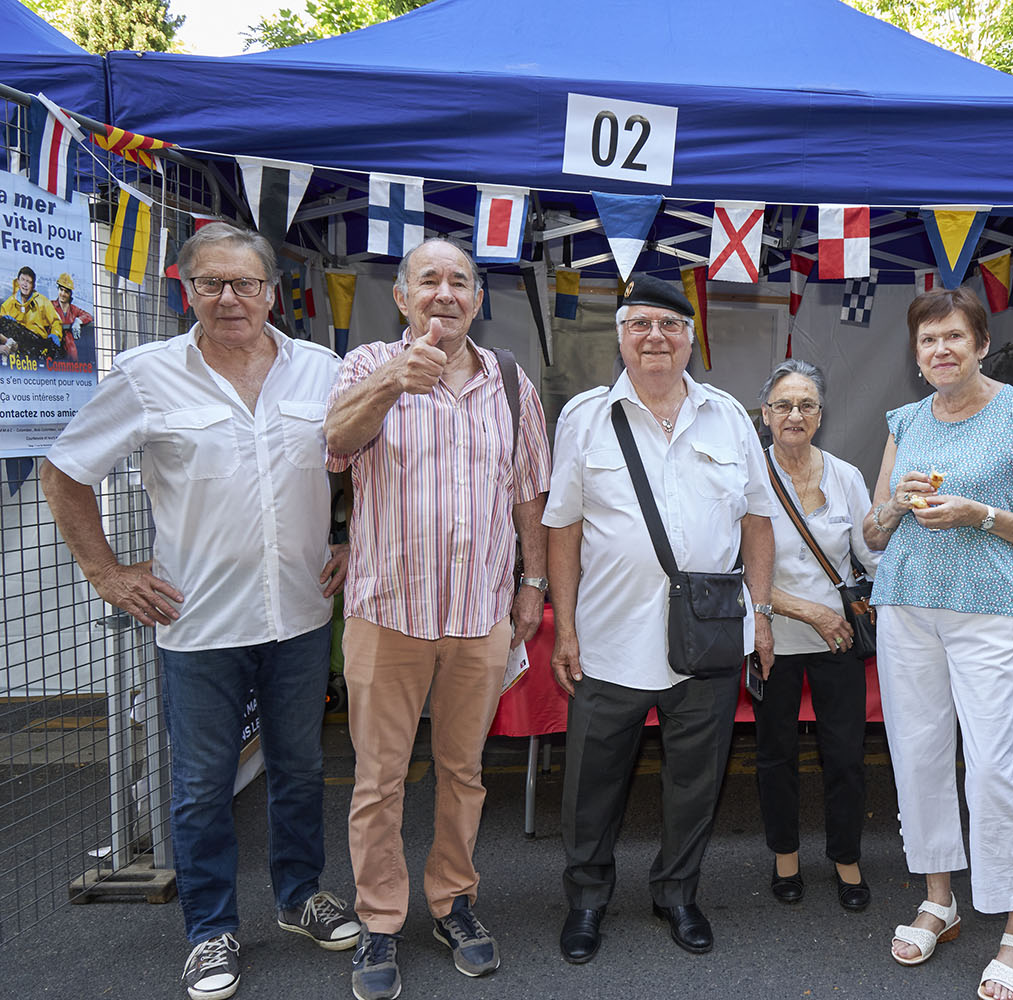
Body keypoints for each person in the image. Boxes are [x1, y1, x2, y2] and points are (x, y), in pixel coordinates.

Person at [39, 222, 358, 1000]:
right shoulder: (148, 376)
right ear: (187, 289)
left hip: (301, 614)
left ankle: (297, 897)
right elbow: (63, 471)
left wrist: (350, 535)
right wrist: (105, 572)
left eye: (245, 283)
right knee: (201, 783)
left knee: (301, 768)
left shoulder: (322, 370)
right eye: (211, 283)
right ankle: (211, 929)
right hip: (199, 622)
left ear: (272, 293)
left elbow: (359, 461)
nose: (229, 298)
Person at [324, 238, 551, 1000]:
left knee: (463, 771)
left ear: (478, 300)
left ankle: (453, 902)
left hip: (480, 613)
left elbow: (529, 495)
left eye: (460, 281)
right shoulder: (364, 367)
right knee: (379, 780)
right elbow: (335, 443)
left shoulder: (512, 382)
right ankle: (380, 920)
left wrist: (534, 581)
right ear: (402, 296)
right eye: (430, 280)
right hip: (388, 611)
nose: (445, 293)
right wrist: (394, 378)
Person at [545, 273, 775, 964]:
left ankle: (677, 892)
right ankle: (586, 901)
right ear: (620, 337)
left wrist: (759, 616)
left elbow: (759, 523)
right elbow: (563, 527)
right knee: (592, 784)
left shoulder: (729, 416)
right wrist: (566, 627)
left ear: (690, 338)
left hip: (705, 639)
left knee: (695, 780)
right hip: (610, 638)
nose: (655, 337)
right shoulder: (584, 416)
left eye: (670, 326)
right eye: (640, 324)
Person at [864, 286, 1013, 1000]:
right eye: (928, 340)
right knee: (917, 755)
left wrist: (981, 512)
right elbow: (874, 531)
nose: (941, 349)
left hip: (989, 610)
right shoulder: (904, 419)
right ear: (916, 355)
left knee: (994, 767)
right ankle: (938, 897)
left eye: (954, 336)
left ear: (981, 342)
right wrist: (894, 504)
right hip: (907, 606)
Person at [753, 359, 880, 911]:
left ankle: (846, 859)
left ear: (821, 415)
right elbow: (734, 568)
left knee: (845, 755)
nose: (795, 414)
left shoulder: (845, 475)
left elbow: (871, 555)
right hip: (772, 636)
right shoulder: (746, 475)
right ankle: (785, 858)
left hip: (839, 641)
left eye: (806, 404)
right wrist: (808, 611)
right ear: (765, 414)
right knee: (775, 754)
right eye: (783, 404)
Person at [2, 265, 63, 348]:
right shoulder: (10, 302)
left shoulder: (42, 301)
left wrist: (55, 335)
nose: (25, 284)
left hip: (38, 342)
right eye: (23, 280)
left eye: (28, 281)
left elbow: (56, 321)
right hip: (17, 342)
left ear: (33, 285)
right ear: (18, 282)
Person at [52, 271, 92, 361]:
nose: (63, 294)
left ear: (70, 294)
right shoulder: (50, 306)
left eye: (66, 291)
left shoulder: (74, 310)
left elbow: (88, 316)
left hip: (70, 352)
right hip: (54, 350)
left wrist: (78, 321)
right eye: (61, 290)